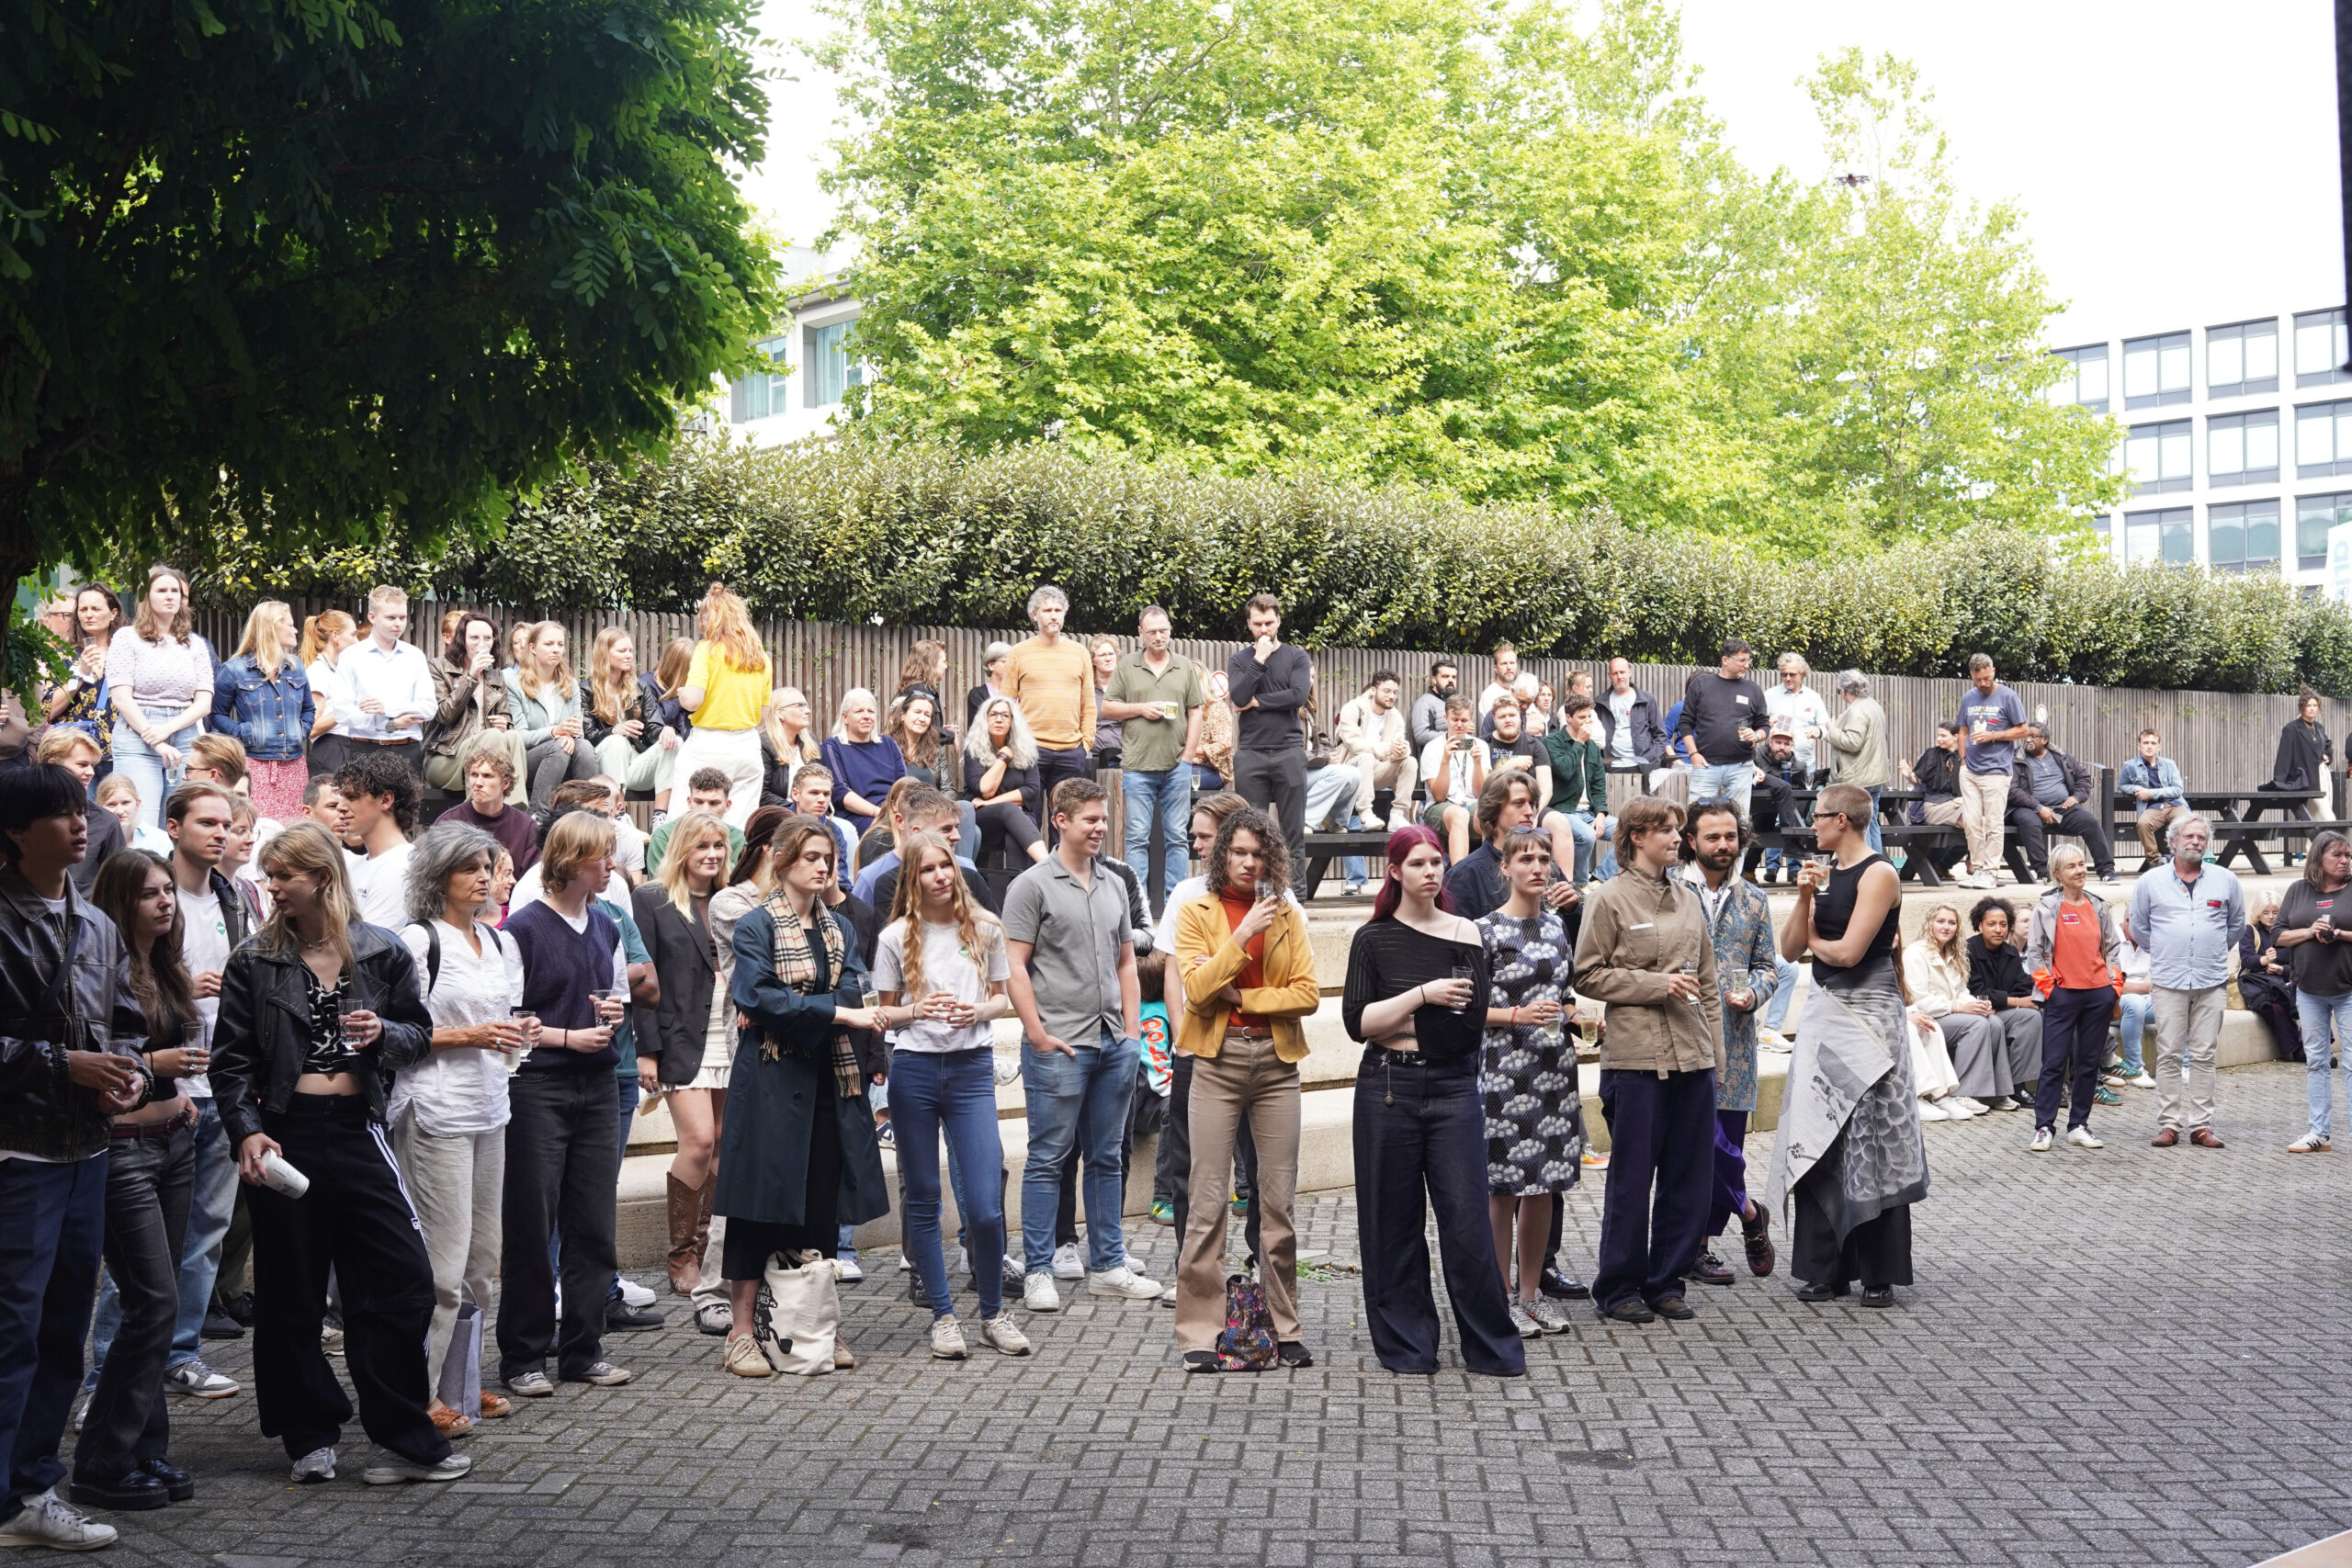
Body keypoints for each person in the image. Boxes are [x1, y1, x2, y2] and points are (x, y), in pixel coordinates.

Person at [209, 819, 465, 1486]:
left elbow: (418, 1035)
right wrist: (246, 1131)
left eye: (283, 876)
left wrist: (384, 1032)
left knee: (400, 1279)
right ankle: (309, 1434)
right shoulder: (254, 959)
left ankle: (402, 1436)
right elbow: (230, 1061)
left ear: (322, 877)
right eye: (268, 876)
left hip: (357, 1128)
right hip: (284, 1135)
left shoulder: (380, 950)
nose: (271, 887)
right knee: (290, 1292)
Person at [0, 764, 154, 1551]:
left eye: (79, 809)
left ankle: (31, 1488)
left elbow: (126, 1023)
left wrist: (129, 1075)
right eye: (59, 813)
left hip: (86, 1149)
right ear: (15, 831)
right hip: (16, 1154)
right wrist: (64, 1065)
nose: (79, 823)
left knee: (66, 1329)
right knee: (11, 1330)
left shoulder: (95, 923)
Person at [1341, 826, 1521, 1376]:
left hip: (1452, 1086)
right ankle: (1408, 1347)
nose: (1430, 872)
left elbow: (1466, 1027)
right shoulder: (1372, 938)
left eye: (1436, 862)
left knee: (1467, 1223)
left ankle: (1491, 1348)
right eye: (1418, 863)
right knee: (1391, 1223)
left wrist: (1401, 1018)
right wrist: (1423, 996)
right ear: (1395, 872)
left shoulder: (1464, 932)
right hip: (1386, 1088)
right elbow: (1357, 1023)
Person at [715, 815, 889, 1378]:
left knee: (820, 1206)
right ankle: (742, 1334)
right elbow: (756, 997)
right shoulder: (755, 926)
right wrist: (832, 1011)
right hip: (769, 1083)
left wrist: (810, 1007)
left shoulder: (840, 928)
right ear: (782, 861)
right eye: (811, 857)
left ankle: (813, 1323)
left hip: (828, 1081)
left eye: (829, 859)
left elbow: (852, 988)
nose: (823, 867)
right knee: (756, 1209)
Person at [71, 851, 200, 1516]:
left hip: (175, 1142)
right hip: (122, 1150)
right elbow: (104, 1058)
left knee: (160, 1301)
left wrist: (181, 1095)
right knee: (151, 1301)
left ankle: (145, 1450)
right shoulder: (101, 967)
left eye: (167, 890)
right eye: (150, 893)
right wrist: (159, 1063)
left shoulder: (166, 967)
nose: (165, 901)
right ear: (122, 901)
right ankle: (100, 1461)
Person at [1765, 783, 1928, 1309]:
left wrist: (1814, 942)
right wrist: (1804, 897)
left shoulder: (1879, 873)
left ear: (1842, 820)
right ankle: (1824, 1270)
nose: (1811, 824)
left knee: (1872, 1136)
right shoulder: (1823, 872)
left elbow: (1849, 953)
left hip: (1870, 1015)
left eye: (1818, 816)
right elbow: (1789, 949)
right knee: (1821, 1133)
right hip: (1824, 1014)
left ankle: (1878, 1271)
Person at [1168, 807, 1318, 1371]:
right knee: (1207, 1201)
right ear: (1222, 853)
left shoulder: (1288, 914)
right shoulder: (1197, 910)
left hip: (1277, 1063)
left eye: (1258, 854)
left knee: (1277, 1201)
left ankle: (1284, 1326)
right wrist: (1243, 933)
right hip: (1217, 1060)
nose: (1249, 862)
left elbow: (1306, 994)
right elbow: (1198, 990)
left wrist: (1247, 999)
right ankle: (1199, 1332)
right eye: (1239, 852)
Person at [873, 830, 1031, 1359]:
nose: (940, 876)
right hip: (914, 1070)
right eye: (928, 869)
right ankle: (943, 1316)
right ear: (912, 878)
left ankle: (993, 1314)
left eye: (946, 866)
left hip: (970, 1070)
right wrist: (917, 1010)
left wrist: (976, 1011)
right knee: (923, 1198)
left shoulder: (985, 928)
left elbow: (1001, 998)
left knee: (985, 1206)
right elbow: (885, 1013)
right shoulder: (896, 936)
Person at [1004, 779, 1160, 1311]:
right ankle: (1039, 1269)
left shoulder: (1115, 882)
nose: (1100, 827)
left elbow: (1127, 963)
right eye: (1090, 819)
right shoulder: (1030, 885)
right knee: (1047, 1159)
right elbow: (1015, 966)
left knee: (1108, 1158)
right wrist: (1037, 1034)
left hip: (1114, 1042)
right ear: (1061, 821)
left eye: (1103, 818)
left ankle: (1109, 1265)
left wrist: (1133, 1034)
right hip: (1060, 1046)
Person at [391, 823, 525, 1438]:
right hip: (434, 1110)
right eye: (469, 867)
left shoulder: (498, 942)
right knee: (442, 1267)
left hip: (489, 1108)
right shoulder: (417, 942)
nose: (483, 877)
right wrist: (471, 1035)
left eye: (488, 866)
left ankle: (461, 1385)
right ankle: (416, 1396)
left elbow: (504, 1021)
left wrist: (518, 1034)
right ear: (438, 876)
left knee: (481, 1260)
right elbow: (397, 1034)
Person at [496, 812, 635, 1396]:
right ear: (573, 859)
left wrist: (614, 1013)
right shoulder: (522, 930)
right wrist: (567, 1037)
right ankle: (523, 1356)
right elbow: (508, 1018)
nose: (611, 866)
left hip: (598, 1085)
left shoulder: (605, 924)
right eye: (602, 856)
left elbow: (618, 995)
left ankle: (583, 1350)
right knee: (533, 1223)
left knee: (594, 1222)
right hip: (538, 1088)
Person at [1573, 795, 1720, 1325]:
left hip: (1693, 1058)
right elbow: (1586, 974)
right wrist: (1656, 985)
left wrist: (1716, 1060)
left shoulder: (1689, 899)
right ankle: (1618, 1288)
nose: (1678, 839)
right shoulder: (1608, 898)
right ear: (1637, 836)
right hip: (1635, 1061)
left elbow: (1708, 984)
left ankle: (1667, 1282)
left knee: (1689, 1179)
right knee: (1632, 1181)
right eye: (1667, 831)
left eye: (1678, 830)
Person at [1476, 825, 1586, 1337]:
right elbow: (1469, 1009)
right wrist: (1516, 1015)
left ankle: (1530, 1293)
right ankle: (1500, 1297)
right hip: (1504, 1072)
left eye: (1544, 859)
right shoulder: (1484, 930)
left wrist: (1577, 1016)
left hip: (1554, 1071)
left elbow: (1564, 993)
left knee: (1545, 1185)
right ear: (1505, 868)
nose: (1537, 867)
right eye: (1526, 859)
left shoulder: (1558, 927)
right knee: (1503, 1189)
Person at [1674, 799, 1778, 1290]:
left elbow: (1768, 966)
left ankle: (1698, 1247)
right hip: (1678, 1036)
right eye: (1712, 836)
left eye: (1730, 836)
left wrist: (1753, 993)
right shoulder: (1670, 889)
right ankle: (1751, 1213)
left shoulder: (1754, 899)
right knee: (1695, 1146)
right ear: (1691, 840)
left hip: (1734, 1045)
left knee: (1726, 1148)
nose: (1723, 845)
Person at [631, 811, 736, 1297]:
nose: (711, 854)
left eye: (718, 846)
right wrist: (647, 1050)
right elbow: (644, 981)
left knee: (722, 1142)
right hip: (680, 1038)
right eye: (701, 846)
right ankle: (682, 1256)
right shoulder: (652, 899)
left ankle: (709, 1252)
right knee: (698, 1142)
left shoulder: (731, 899)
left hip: (729, 1034)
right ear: (681, 850)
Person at [2126, 812, 2244, 1149]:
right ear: (2173, 841)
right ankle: (2169, 1124)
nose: (2195, 842)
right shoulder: (2150, 881)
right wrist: (2169, 950)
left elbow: (2235, 925)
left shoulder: (2226, 879)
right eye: (2189, 836)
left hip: (2211, 981)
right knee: (2169, 1054)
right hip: (2168, 980)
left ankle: (2201, 1126)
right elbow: (2139, 928)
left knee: (2204, 1054)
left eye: (2201, 838)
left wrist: (2209, 950)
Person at [1103, 606, 1207, 906]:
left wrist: (1187, 758)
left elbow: (1196, 712)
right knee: (1137, 838)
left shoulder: (1184, 666)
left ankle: (1176, 903)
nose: (1159, 636)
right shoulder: (1127, 666)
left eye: (1163, 630)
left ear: (1170, 630)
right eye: (1152, 631)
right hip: (1137, 765)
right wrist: (1141, 708)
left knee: (1177, 837)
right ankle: (1139, 905)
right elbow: (1108, 708)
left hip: (1177, 765)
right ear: (1141, 633)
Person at [2021, 845, 2121, 1152]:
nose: (2080, 871)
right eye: (2071, 867)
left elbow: (2113, 947)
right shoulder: (2046, 908)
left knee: (2089, 1064)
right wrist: (2051, 990)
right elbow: (2035, 953)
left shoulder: (2099, 906)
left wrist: (2113, 987)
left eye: (2081, 864)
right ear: (2057, 874)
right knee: (2053, 1063)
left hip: (2098, 995)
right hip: (2062, 996)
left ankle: (2079, 1125)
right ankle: (2044, 1127)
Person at [105, 565, 213, 832]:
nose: (170, 596)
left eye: (175, 591)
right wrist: (154, 736)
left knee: (184, 821)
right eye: (162, 590)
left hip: (184, 733)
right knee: (142, 823)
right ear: (146, 596)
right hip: (137, 732)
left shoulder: (195, 643)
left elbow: (204, 703)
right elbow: (121, 697)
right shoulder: (126, 638)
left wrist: (167, 730)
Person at [1910, 903, 2033, 1114]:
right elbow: (1920, 1000)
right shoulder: (1916, 953)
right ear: (1929, 923)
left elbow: (1961, 990)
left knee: (1993, 1022)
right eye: (1940, 921)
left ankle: (1996, 1093)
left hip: (1952, 1013)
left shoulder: (1953, 953)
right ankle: (1962, 1092)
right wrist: (1960, 1006)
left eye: (1952, 923)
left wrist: (1976, 1005)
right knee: (1977, 1024)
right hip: (1929, 1018)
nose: (1946, 927)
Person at [1225, 594, 1313, 889]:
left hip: (1289, 751)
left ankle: (1295, 897)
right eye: (1258, 624)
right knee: (1251, 832)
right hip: (1251, 753)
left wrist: (1258, 701)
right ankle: (1255, 893)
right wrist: (1259, 659)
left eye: (1269, 623)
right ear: (1249, 624)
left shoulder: (1297, 656)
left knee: (1292, 832)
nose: (1264, 629)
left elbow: (1298, 695)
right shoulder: (1239, 660)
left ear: (1279, 621)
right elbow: (1239, 697)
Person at [2275, 831, 2352, 1153]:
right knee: (2316, 1062)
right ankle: (2319, 1133)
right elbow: (2278, 935)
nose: (2345, 861)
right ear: (2319, 858)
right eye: (2338, 855)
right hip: (2308, 990)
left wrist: (2340, 934)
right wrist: (2310, 931)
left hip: (2348, 989)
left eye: (2348, 855)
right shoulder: (2298, 889)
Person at [673, 585, 772, 830]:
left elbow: (693, 701)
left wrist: (683, 694)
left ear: (712, 617)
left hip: (708, 745)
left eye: (703, 617)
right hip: (748, 747)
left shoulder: (707, 649)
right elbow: (762, 717)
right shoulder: (761, 657)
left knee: (685, 822)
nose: (701, 623)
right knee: (738, 829)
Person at [210, 602, 315, 823]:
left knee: (294, 828)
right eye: (290, 625)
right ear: (273, 627)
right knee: (256, 826)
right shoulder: (234, 670)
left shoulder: (296, 667)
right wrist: (243, 733)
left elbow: (309, 709)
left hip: (294, 764)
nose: (296, 630)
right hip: (254, 765)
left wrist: (301, 730)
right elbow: (216, 714)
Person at [1004, 586, 1096, 820]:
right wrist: (1012, 744)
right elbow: (1006, 704)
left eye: (1058, 610)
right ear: (1034, 615)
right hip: (1030, 750)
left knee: (1067, 822)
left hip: (1071, 751)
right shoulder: (1018, 653)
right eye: (1047, 610)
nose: (1053, 615)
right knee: (1029, 820)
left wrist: (1085, 744)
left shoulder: (1080, 653)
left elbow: (1088, 702)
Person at [1442, 772, 1578, 925]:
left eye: (1532, 804)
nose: (1529, 812)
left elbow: (1574, 934)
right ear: (1494, 809)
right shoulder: (1465, 875)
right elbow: (1453, 936)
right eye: (1519, 803)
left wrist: (1572, 909)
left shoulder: (1548, 867)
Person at [421, 612, 526, 806]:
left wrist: (505, 724)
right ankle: (478, 811)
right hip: (446, 757)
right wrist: (471, 676)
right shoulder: (438, 667)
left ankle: (515, 809)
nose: (482, 644)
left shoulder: (496, 675)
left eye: (487, 638)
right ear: (462, 640)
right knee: (492, 736)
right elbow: (444, 716)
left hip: (490, 755)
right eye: (474, 638)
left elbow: (505, 716)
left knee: (513, 737)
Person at [502, 622, 601, 811]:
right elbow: (519, 736)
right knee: (559, 747)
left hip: (566, 755)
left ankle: (588, 814)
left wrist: (570, 735)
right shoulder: (515, 685)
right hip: (528, 761)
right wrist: (555, 732)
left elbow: (578, 729)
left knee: (585, 747)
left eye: (560, 644)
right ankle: (539, 815)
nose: (556, 649)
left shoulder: (570, 684)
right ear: (532, 648)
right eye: (548, 644)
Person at [854, 789, 1000, 916]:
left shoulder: (966, 869)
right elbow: (861, 930)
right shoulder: (872, 877)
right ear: (917, 832)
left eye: (957, 827)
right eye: (946, 829)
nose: (957, 836)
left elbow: (994, 928)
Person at [339, 588, 436, 777]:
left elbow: (428, 707)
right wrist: (392, 724)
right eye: (391, 618)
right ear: (372, 617)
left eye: (402, 617)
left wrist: (387, 709)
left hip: (407, 749)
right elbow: (342, 711)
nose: (398, 623)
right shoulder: (351, 656)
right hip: (364, 749)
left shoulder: (415, 656)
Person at [1953, 653, 2030, 890]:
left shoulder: (2008, 696)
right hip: (1970, 771)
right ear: (1971, 675)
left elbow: (2024, 730)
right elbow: (1963, 731)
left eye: (1987, 678)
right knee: (1971, 822)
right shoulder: (1969, 697)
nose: (1983, 683)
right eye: (1978, 679)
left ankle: (1991, 872)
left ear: (1993, 671)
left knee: (1994, 824)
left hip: (1997, 771)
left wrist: (1993, 735)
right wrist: (1962, 762)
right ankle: (1977, 869)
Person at [2006, 723, 2117, 886]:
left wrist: (2076, 797)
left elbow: (2084, 779)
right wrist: (2039, 808)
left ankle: (2107, 872)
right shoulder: (2016, 759)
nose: (2027, 740)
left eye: (2033, 736)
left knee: (2090, 822)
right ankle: (2044, 872)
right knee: (2028, 820)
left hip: (2062, 808)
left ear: (2045, 740)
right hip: (2029, 808)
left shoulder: (2062, 757)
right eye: (2026, 736)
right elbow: (2012, 790)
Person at [1673, 640, 1769, 818]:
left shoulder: (1753, 690)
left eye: (1748, 660)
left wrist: (1756, 735)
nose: (1746, 665)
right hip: (1705, 765)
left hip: (1741, 767)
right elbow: (1685, 723)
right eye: (1741, 660)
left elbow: (1764, 725)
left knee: (1739, 821)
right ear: (1725, 660)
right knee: (1698, 819)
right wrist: (1693, 754)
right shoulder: (1701, 685)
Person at [39, 583, 120, 786]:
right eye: (83, 610)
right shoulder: (62, 656)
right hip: (76, 756)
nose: (89, 615)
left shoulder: (126, 654)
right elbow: (48, 710)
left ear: (113, 614)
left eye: (96, 609)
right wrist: (80, 673)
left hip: (120, 753)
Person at [334, 751, 421, 928]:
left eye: (352, 797)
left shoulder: (400, 866)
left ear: (386, 800)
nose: (340, 807)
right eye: (341, 798)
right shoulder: (356, 863)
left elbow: (372, 941)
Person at [582, 628, 667, 801]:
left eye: (630, 651)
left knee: (674, 742)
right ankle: (617, 810)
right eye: (622, 651)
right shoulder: (586, 690)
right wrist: (614, 731)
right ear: (604, 654)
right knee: (616, 741)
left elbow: (653, 729)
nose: (629, 656)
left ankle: (662, 813)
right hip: (603, 762)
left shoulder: (640, 688)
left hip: (636, 762)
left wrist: (665, 732)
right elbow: (587, 738)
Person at [964, 697, 1046, 866]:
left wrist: (990, 802)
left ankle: (1018, 883)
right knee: (1011, 810)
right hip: (982, 818)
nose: (999, 719)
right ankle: (1049, 866)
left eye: (1005, 715)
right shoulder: (974, 750)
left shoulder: (1026, 750)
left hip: (1016, 815)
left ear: (1013, 721)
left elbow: (1031, 791)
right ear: (985, 719)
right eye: (993, 714)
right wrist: (1004, 757)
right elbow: (985, 789)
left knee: (1016, 835)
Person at [41, 730, 125, 894]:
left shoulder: (106, 822)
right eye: (82, 765)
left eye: (92, 765)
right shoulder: (23, 814)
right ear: (53, 765)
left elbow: (119, 884)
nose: (91, 772)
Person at [1334, 671, 1417, 835]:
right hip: (1348, 772)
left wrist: (1401, 749)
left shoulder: (1396, 717)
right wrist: (1388, 748)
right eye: (1387, 691)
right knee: (1366, 757)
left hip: (1374, 774)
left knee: (1410, 762)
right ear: (1373, 690)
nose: (1392, 696)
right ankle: (1365, 814)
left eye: (1395, 692)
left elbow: (1396, 749)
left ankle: (1398, 815)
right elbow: (1355, 746)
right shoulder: (1352, 709)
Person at [1544, 694, 1613, 886]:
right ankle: (1578, 885)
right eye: (1582, 717)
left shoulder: (1593, 747)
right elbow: (1565, 771)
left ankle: (1599, 879)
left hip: (1589, 812)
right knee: (1587, 836)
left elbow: (1598, 785)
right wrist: (1579, 743)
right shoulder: (1552, 742)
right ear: (1568, 718)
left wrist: (1601, 813)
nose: (1587, 721)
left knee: (1631, 831)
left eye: (1589, 716)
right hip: (1563, 811)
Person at [435, 748, 538, 874]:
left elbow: (533, 879)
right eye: (474, 775)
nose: (478, 783)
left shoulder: (526, 827)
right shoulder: (448, 823)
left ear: (505, 783)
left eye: (487, 776)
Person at [821, 688, 907, 836]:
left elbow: (904, 785)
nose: (866, 716)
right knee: (885, 832)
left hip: (893, 810)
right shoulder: (832, 746)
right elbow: (840, 792)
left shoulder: (889, 744)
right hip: (858, 815)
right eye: (859, 711)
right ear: (845, 717)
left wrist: (897, 812)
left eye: (871, 711)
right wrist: (879, 813)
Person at [1823, 671, 1890, 853]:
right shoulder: (1874, 706)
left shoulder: (1857, 710)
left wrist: (1831, 730)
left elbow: (1853, 743)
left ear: (1845, 691)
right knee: (1871, 821)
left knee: (1859, 825)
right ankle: (1878, 863)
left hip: (1859, 776)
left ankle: (1864, 865)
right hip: (1875, 775)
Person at [1419, 695, 1490, 863]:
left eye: (1464, 720)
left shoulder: (1480, 746)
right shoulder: (1432, 748)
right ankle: (1460, 875)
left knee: (1488, 813)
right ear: (1446, 718)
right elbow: (1439, 796)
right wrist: (1445, 760)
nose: (1459, 725)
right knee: (1459, 814)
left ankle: (1489, 871)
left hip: (1471, 803)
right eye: (1455, 720)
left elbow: (1481, 794)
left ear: (1471, 720)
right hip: (1439, 808)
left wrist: (1478, 763)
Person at [1897, 722, 1970, 881]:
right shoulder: (1932, 754)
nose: (1939, 739)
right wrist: (1909, 775)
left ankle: (1947, 865)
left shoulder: (1965, 756)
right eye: (1938, 735)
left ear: (1955, 736)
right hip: (1936, 805)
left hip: (1960, 805)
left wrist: (1965, 799)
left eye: (1943, 736)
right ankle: (1979, 867)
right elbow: (1918, 780)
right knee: (1973, 822)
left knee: (1983, 821)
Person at [299, 609, 359, 782]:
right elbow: (312, 728)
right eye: (353, 634)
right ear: (335, 636)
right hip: (331, 752)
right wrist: (349, 708)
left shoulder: (336, 670)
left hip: (347, 749)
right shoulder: (318, 672)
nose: (357, 641)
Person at [647, 768, 747, 874]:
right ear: (689, 802)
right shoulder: (664, 836)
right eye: (699, 802)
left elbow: (740, 880)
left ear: (727, 805)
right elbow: (658, 880)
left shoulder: (739, 839)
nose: (705, 809)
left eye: (713, 803)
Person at [2235, 898, 2300, 1062]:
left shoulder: (2288, 933)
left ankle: (2320, 1047)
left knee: (2309, 1000)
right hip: (2257, 983)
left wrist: (2281, 970)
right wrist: (2264, 960)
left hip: (2284, 981)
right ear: (2258, 913)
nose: (2271, 916)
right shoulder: (2250, 931)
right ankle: (2295, 1049)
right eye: (2266, 912)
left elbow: (2298, 965)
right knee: (2273, 1006)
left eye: (2275, 912)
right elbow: (2247, 959)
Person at [2118, 728, 2186, 872]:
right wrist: (2136, 789)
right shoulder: (2130, 766)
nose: (2149, 746)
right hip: (2152, 808)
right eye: (2146, 743)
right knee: (2143, 824)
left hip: (2174, 804)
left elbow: (2177, 789)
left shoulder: (2169, 764)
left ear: (2158, 747)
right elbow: (2122, 785)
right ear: (2139, 746)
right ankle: (2155, 862)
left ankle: (2182, 860)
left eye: (2153, 743)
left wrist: (2150, 793)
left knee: (2186, 824)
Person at [1599, 658, 1670, 788]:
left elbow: (1660, 733)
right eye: (1615, 673)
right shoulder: (1601, 702)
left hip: (1642, 766)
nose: (1619, 676)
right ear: (1609, 675)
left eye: (1622, 672)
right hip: (1612, 767)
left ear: (1629, 672)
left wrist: (1652, 758)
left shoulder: (1646, 699)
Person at [1763, 654, 1828, 779]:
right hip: (1775, 763)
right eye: (1784, 674)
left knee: (1806, 792)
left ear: (1802, 674)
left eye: (1792, 674)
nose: (1787, 678)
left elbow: (1826, 726)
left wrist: (1819, 731)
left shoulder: (1813, 697)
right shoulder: (1769, 695)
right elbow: (1759, 726)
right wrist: (1767, 726)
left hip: (1805, 763)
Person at [758, 688, 821, 807]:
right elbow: (762, 794)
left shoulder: (811, 740)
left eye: (806, 705)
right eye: (800, 706)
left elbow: (822, 782)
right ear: (780, 713)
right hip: (779, 812)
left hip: (811, 810)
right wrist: (795, 809)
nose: (808, 711)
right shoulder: (764, 744)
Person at [2268, 687, 2334, 795]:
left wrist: (2328, 756)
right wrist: (2280, 786)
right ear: (2302, 707)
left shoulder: (2319, 728)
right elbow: (2283, 759)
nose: (2312, 709)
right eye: (2308, 705)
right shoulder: (2291, 729)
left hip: (2321, 781)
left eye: (2315, 705)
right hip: (2301, 784)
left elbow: (2327, 745)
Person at [1408, 660, 1459, 757]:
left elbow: (1461, 743)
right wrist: (1452, 735)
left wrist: (1469, 740)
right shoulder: (1424, 703)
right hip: (1435, 762)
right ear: (1434, 680)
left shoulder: (1458, 703)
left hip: (1460, 762)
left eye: (1454, 677)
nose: (1450, 680)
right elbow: (1421, 736)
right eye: (1445, 676)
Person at [966, 641, 1012, 731]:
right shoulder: (977, 695)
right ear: (991, 666)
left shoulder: (1019, 694)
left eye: (1012, 662)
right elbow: (975, 730)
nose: (1010, 666)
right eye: (1004, 662)